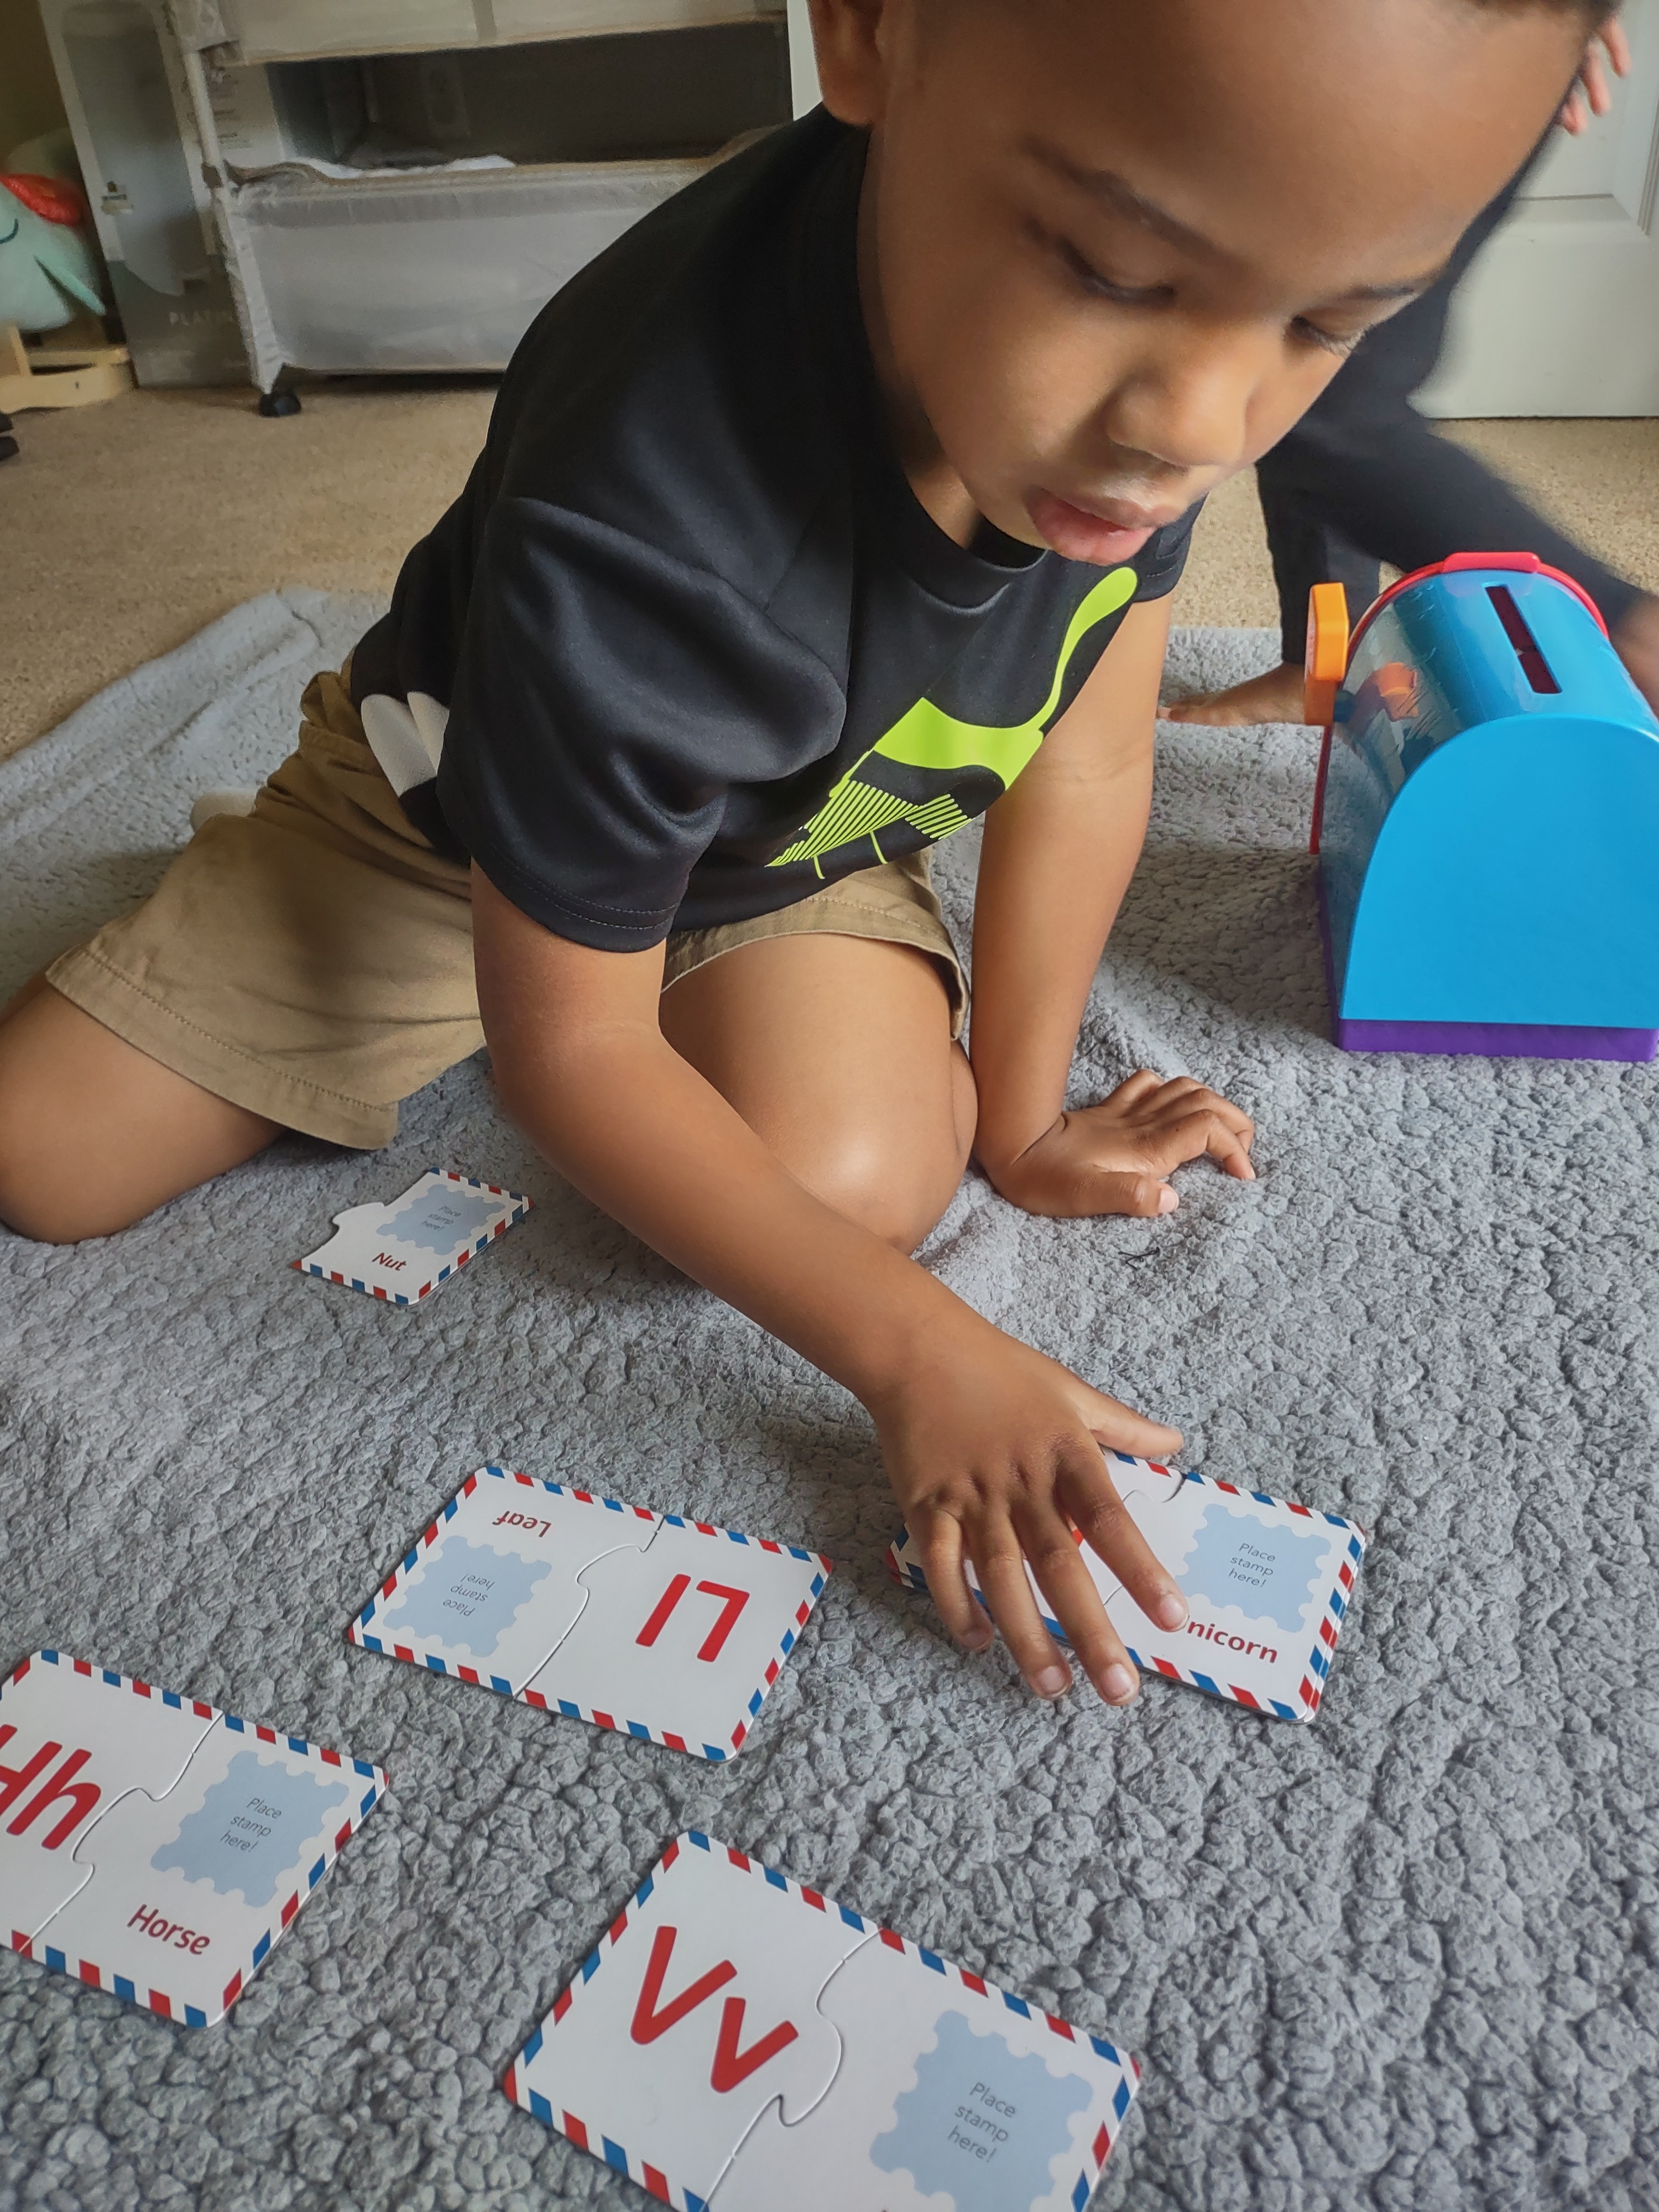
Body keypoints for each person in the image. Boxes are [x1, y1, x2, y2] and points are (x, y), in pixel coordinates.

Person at [0, 0, 1613, 1710]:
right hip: (451, 815)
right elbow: (576, 1057)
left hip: (809, 828)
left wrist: (1021, 1112)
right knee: (47, 1157)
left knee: (855, 1185)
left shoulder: (1158, 353)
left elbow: (1091, 745)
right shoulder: (644, 511)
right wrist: (920, 1354)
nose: (1205, 419)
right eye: (1113, 270)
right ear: (871, 36)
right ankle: (367, 888)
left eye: (1325, 320)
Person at [1165, 18, 1659, 728]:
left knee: (1327, 396)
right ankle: (1320, 666)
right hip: (1343, 40)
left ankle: (1627, 633)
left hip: (1446, 39)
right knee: (1308, 343)